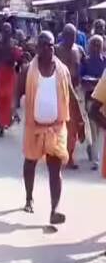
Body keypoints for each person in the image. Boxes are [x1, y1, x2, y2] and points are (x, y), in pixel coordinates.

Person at [16, 31, 71, 225]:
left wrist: (79, 123)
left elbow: (69, 95)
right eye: (45, 45)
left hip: (56, 128)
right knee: (30, 163)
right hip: (34, 127)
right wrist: (15, 109)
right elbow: (18, 89)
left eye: (52, 45)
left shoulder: (62, 70)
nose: (49, 48)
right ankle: (29, 197)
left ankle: (54, 210)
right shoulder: (28, 70)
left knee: (55, 169)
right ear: (37, 48)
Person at [56, 24, 87, 169]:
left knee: (73, 126)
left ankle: (69, 157)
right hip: (58, 91)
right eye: (68, 35)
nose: (71, 39)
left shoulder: (79, 50)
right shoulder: (55, 49)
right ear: (63, 35)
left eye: (73, 36)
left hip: (74, 92)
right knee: (58, 125)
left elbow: (86, 65)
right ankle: (57, 154)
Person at [81, 35, 106, 171]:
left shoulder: (105, 61)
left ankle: (94, 151)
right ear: (90, 46)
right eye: (93, 44)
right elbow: (81, 79)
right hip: (90, 99)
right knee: (93, 129)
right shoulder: (86, 61)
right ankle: (96, 159)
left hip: (104, 101)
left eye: (98, 44)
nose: (96, 47)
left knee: (99, 131)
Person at [0, 22, 23, 137]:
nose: (6, 33)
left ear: (10, 33)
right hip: (1, 73)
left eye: (8, 31)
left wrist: (17, 67)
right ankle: (1, 126)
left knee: (9, 99)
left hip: (10, 74)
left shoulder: (13, 45)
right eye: (4, 30)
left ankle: (10, 119)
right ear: (2, 32)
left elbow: (19, 59)